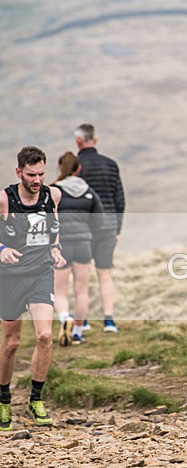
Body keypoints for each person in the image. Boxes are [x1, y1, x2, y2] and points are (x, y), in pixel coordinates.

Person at [0, 146, 67, 430]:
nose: (37, 179)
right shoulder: (4, 199)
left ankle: (35, 400)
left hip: (41, 273)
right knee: (11, 343)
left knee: (45, 336)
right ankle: (3, 401)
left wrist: (55, 247)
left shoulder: (53, 195)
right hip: (11, 276)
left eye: (41, 173)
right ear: (19, 172)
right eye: (31, 174)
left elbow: (54, 226)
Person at [74, 124, 125, 333]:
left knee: (81, 275)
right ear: (95, 140)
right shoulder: (110, 165)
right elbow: (119, 200)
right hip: (108, 226)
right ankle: (109, 320)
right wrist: (117, 229)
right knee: (105, 273)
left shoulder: (75, 166)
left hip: (83, 228)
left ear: (78, 141)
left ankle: (83, 321)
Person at [52, 152, 105, 345]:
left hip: (61, 245)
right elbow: (99, 221)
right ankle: (77, 333)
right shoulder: (89, 191)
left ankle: (65, 317)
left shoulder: (53, 191)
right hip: (84, 245)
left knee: (59, 291)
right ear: (78, 169)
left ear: (60, 168)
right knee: (81, 291)